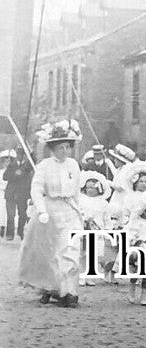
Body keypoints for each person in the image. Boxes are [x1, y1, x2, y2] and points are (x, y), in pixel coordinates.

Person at [18, 120, 84, 307]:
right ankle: (52, 288)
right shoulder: (45, 166)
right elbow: (36, 190)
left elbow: (77, 192)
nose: (65, 151)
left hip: (69, 210)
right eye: (61, 147)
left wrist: (80, 210)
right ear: (52, 148)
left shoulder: (73, 165)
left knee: (70, 250)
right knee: (52, 253)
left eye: (68, 147)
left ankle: (69, 291)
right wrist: (42, 210)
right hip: (50, 210)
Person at [76, 171, 112, 287]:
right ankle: (82, 275)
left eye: (93, 188)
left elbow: (107, 218)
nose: (90, 190)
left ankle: (90, 276)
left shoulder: (103, 203)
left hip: (97, 230)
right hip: (83, 229)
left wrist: (108, 230)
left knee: (93, 254)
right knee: (82, 253)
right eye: (88, 188)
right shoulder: (80, 199)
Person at [124, 194, 146, 306]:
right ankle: (132, 290)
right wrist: (135, 244)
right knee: (135, 271)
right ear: (145, 210)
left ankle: (144, 295)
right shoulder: (137, 222)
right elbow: (132, 234)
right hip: (140, 248)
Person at [4, 152, 32, 240]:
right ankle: (10, 234)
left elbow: (29, 179)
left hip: (22, 194)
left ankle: (20, 232)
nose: (19, 156)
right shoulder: (11, 165)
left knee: (22, 214)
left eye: (21, 154)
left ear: (24, 156)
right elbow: (5, 177)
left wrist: (30, 194)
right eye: (18, 154)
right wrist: (16, 173)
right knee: (11, 215)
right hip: (11, 194)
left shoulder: (28, 166)